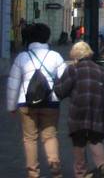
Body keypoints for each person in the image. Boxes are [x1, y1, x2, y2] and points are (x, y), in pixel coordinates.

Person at [5, 22, 66, 178]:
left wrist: (11, 106)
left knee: (29, 138)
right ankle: (54, 166)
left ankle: (33, 173)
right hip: (50, 103)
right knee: (50, 136)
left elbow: (13, 83)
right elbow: (66, 80)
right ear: (47, 37)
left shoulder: (22, 57)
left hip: (26, 103)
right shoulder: (55, 56)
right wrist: (61, 97)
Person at [54, 41, 104, 178]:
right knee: (95, 139)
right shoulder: (102, 70)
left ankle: (80, 172)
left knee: (79, 141)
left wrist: (56, 83)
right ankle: (103, 165)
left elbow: (61, 92)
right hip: (98, 111)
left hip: (78, 110)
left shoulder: (72, 69)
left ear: (75, 55)